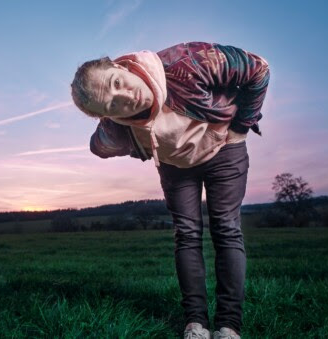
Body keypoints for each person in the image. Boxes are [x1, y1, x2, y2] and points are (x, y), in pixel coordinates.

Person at [70, 41, 269, 339]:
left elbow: (259, 69)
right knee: (186, 234)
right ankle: (196, 324)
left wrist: (241, 127)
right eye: (112, 105)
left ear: (120, 66)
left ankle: (228, 326)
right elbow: (97, 147)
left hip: (224, 149)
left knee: (226, 229)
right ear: (107, 115)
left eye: (117, 82)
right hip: (175, 166)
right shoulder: (115, 129)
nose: (126, 96)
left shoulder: (188, 62)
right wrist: (137, 146)